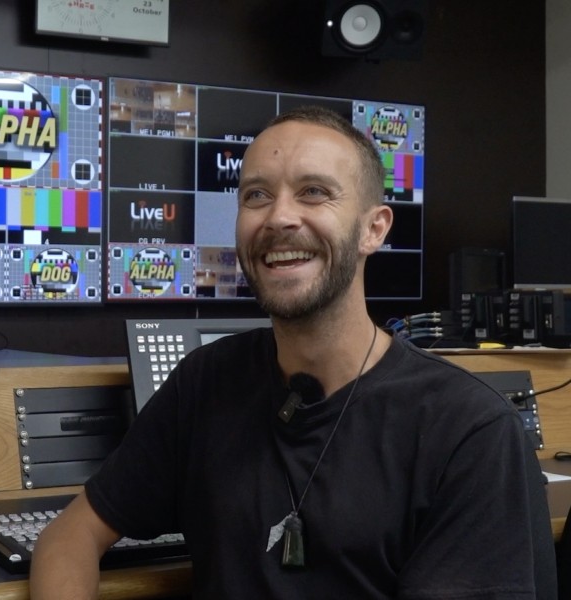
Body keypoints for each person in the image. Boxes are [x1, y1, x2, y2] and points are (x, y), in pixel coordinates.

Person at [30, 105, 557, 598]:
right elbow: (69, 537)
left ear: (374, 229)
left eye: (313, 192)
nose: (279, 217)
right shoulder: (206, 382)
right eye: (256, 195)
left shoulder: (468, 429)